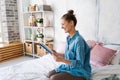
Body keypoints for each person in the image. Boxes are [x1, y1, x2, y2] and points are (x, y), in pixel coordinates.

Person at [47, 10, 91, 80]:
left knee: (53, 78)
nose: (61, 27)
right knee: (49, 74)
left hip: (80, 71)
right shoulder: (68, 38)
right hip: (69, 67)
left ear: (71, 23)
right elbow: (69, 56)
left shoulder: (79, 41)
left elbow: (79, 64)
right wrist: (58, 54)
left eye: (63, 24)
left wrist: (61, 60)